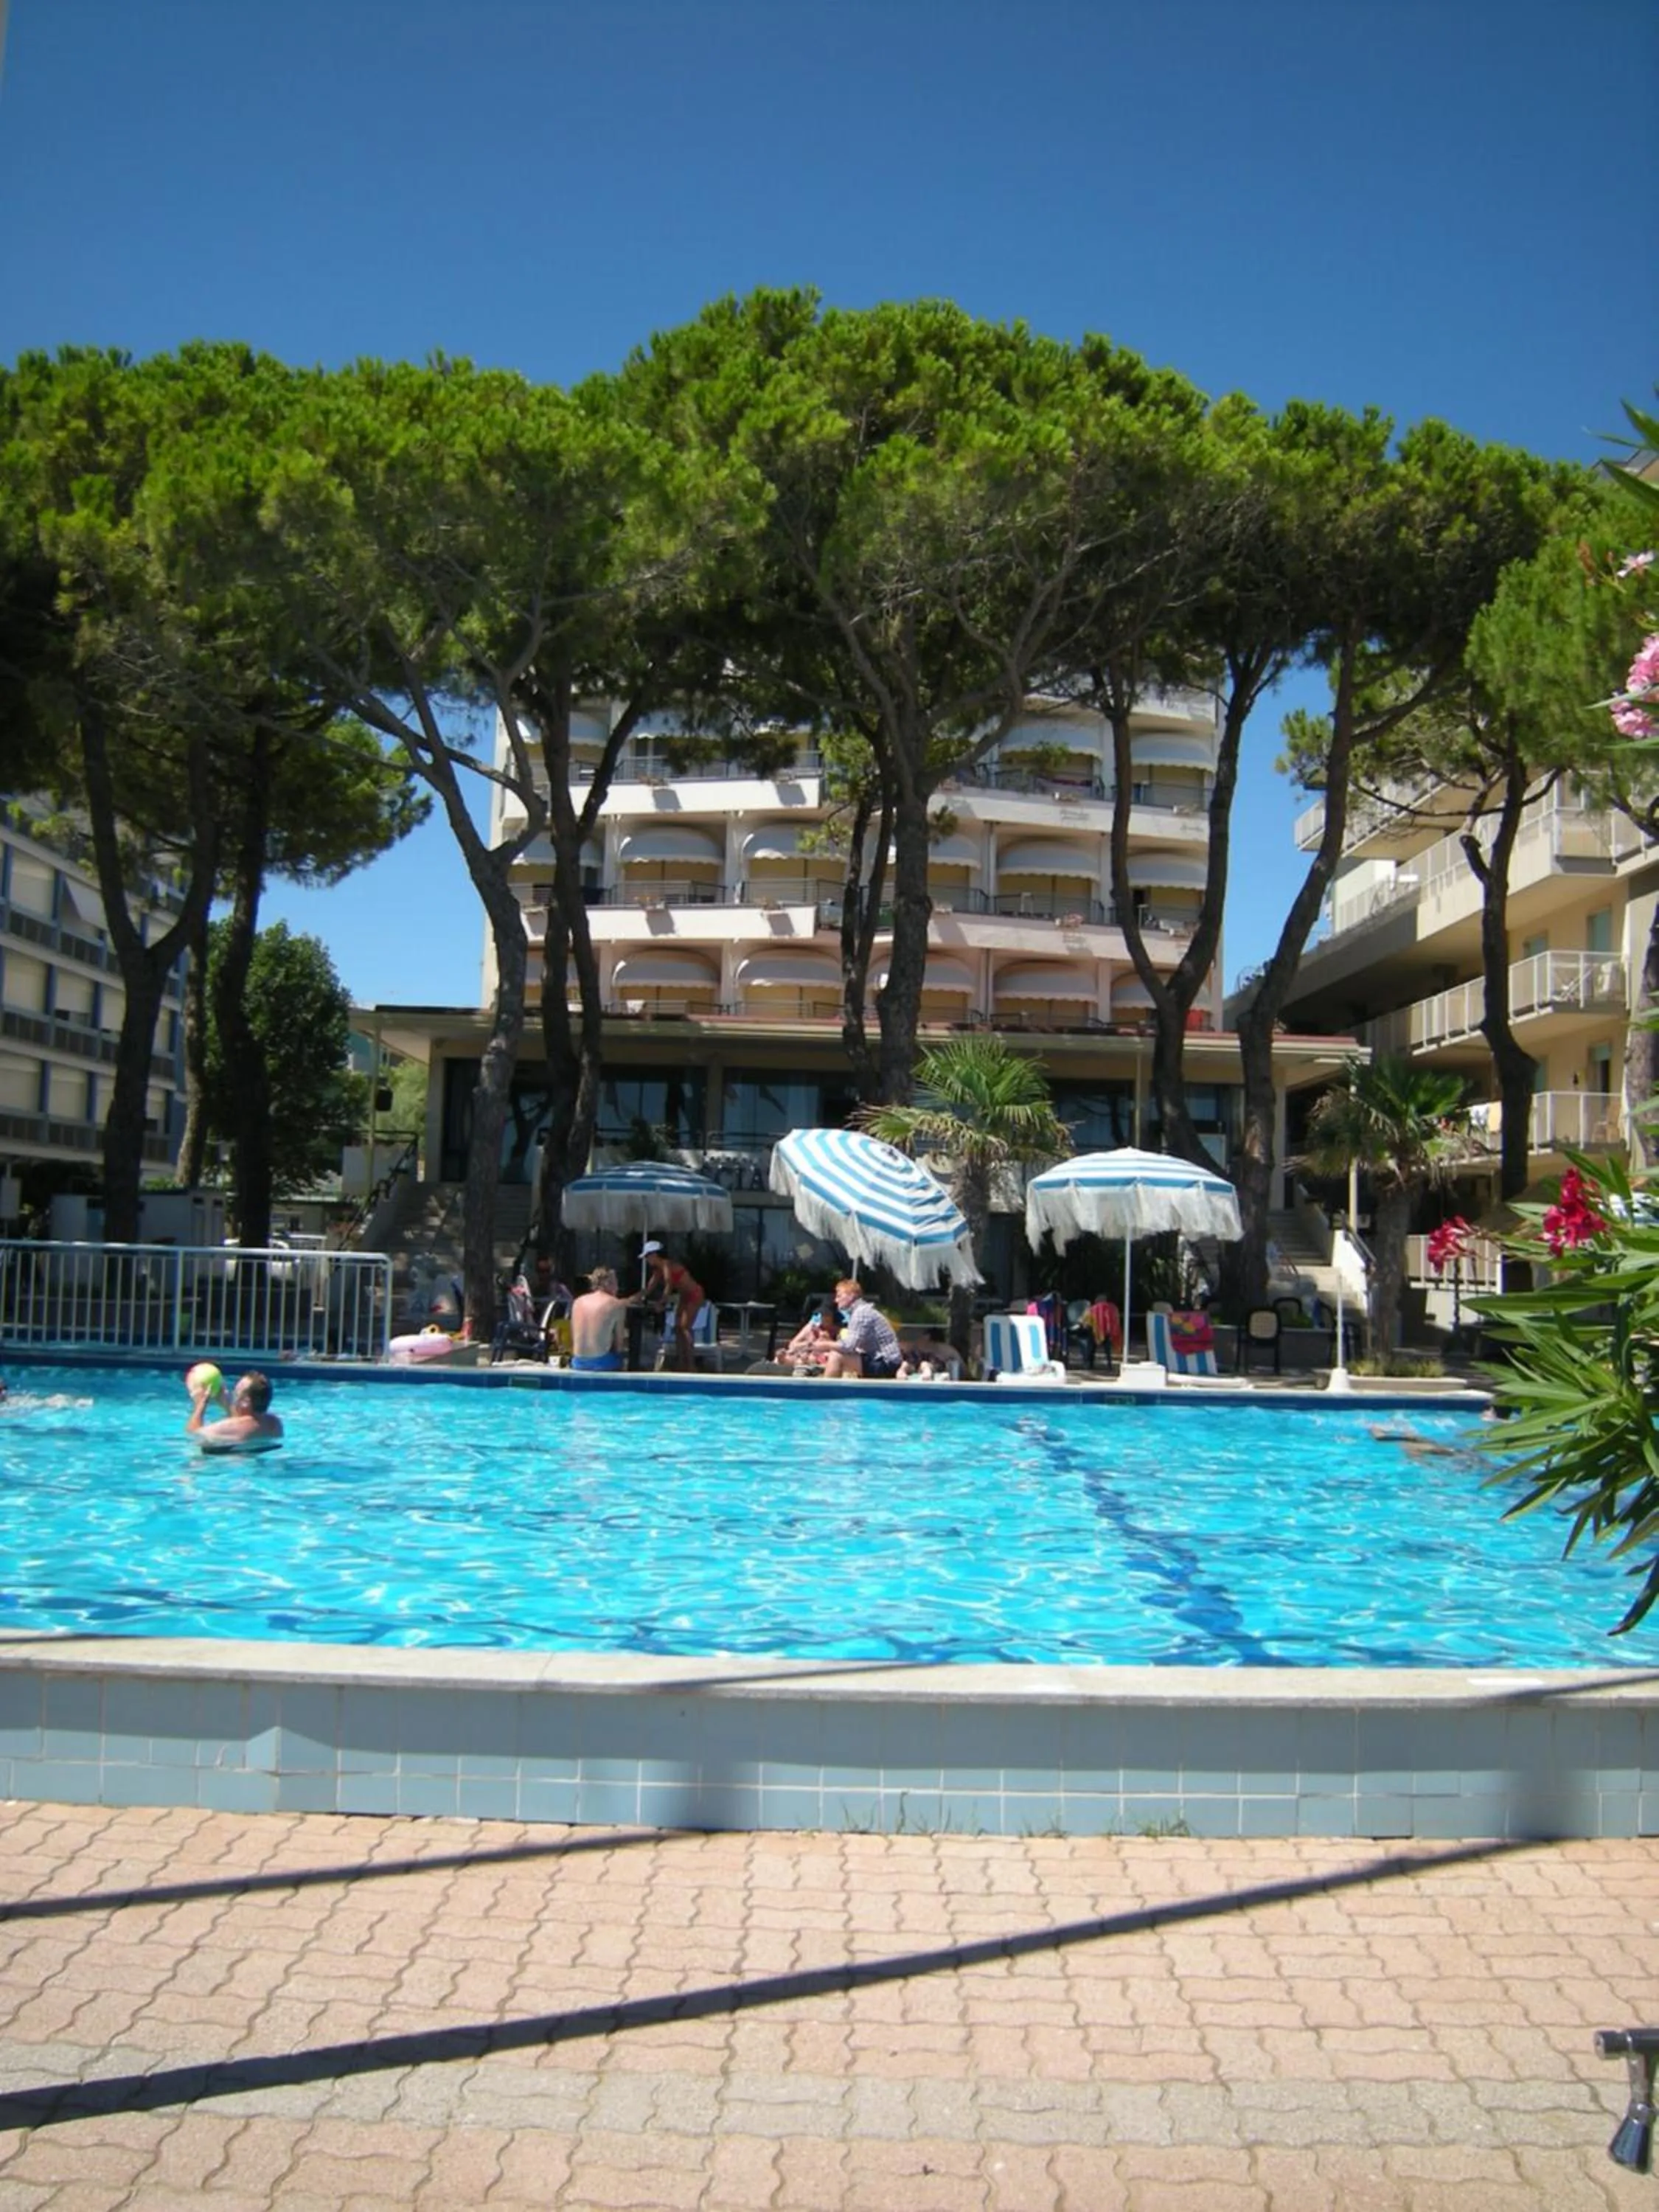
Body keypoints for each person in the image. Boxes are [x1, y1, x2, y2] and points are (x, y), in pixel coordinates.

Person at [820, 1278, 903, 1380]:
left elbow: (848, 1346)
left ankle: (827, 1393)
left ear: (851, 1296)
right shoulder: (861, 1311)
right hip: (886, 1361)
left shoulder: (861, 1313)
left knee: (836, 1356)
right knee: (836, 1354)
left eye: (839, 1296)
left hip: (886, 1364)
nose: (836, 1300)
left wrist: (824, 1344)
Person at [642, 1242, 705, 1371]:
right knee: (677, 1328)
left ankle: (691, 1365)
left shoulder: (666, 1265)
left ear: (654, 1255)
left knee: (685, 1328)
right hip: (684, 1296)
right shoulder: (658, 1270)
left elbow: (669, 1285)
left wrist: (662, 1303)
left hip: (694, 1294)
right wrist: (632, 1299)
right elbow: (648, 1288)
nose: (646, 1260)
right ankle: (681, 1363)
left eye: (647, 1257)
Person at [187, 1369, 283, 1450]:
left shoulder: (227, 1427)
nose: (233, 1395)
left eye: (236, 1392)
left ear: (246, 1401)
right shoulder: (275, 1423)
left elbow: (194, 1434)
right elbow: (244, 1422)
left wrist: (201, 1404)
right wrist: (226, 1404)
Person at [568, 1266, 636, 1371]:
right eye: (615, 1283)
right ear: (607, 1283)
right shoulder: (616, 1304)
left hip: (578, 1362)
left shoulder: (577, 1302)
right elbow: (619, 1345)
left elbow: (574, 1337)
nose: (617, 1288)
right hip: (602, 1363)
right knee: (621, 1358)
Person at [784, 1306, 838, 1371]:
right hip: (807, 1353)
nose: (823, 1318)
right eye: (822, 1316)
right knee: (797, 1359)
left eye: (827, 1316)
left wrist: (828, 1341)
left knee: (816, 1359)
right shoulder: (811, 1328)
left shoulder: (838, 1331)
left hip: (825, 1357)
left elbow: (843, 1347)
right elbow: (792, 1345)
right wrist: (809, 1344)